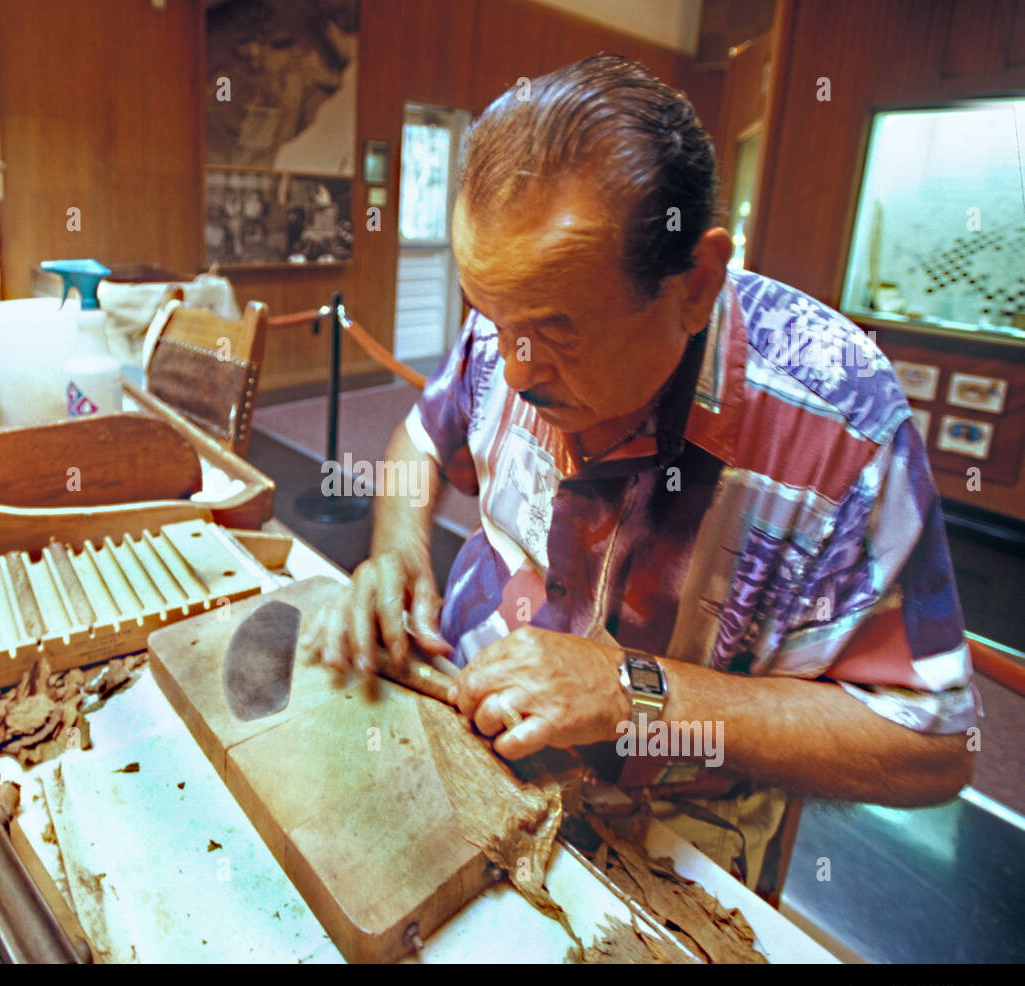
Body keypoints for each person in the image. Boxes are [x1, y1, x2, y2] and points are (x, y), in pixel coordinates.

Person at [301, 55, 977, 897]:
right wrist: (397, 553)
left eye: (557, 330)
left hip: (663, 829)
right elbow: (419, 439)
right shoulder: (512, 326)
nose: (511, 371)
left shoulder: (839, 413)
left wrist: (638, 693)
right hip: (459, 720)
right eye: (490, 315)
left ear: (694, 285)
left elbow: (932, 746)